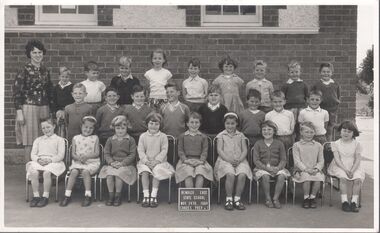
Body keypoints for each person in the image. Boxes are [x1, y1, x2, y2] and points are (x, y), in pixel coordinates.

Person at [14, 39, 53, 162]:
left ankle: (43, 169)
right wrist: (19, 111)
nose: (38, 55)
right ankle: (30, 171)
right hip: (29, 107)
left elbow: (49, 90)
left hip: (44, 107)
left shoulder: (45, 70)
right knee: (30, 140)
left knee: (44, 139)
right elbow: (17, 92)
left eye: (40, 52)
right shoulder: (24, 70)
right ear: (29, 54)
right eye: (34, 52)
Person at [214, 112, 252, 211]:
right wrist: (229, 160)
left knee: (242, 174)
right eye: (228, 123)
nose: (230, 126)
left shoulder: (240, 135)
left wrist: (239, 160)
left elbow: (244, 150)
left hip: (240, 160)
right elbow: (220, 150)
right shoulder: (221, 135)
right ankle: (229, 199)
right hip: (225, 160)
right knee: (230, 174)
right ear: (224, 124)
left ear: (236, 124)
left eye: (232, 123)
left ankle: (237, 199)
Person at [60, 116, 100, 207]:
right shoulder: (75, 138)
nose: (88, 129)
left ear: (94, 129)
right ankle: (67, 195)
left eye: (91, 128)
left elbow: (97, 153)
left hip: (91, 162)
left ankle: (88, 195)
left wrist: (87, 157)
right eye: (86, 127)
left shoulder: (95, 138)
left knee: (85, 172)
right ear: (81, 126)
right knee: (73, 172)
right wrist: (79, 158)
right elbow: (73, 153)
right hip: (78, 161)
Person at [137, 112, 175, 207]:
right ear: (147, 124)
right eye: (151, 123)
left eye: (156, 124)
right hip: (145, 161)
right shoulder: (143, 136)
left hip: (159, 162)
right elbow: (140, 150)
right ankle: (146, 195)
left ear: (160, 125)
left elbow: (164, 150)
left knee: (156, 171)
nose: (153, 126)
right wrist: (146, 161)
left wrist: (156, 161)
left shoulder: (163, 136)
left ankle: (153, 196)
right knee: (145, 172)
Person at [26, 118, 66, 207]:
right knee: (33, 172)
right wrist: (38, 160)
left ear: (54, 126)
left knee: (47, 173)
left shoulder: (59, 140)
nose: (46, 130)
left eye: (48, 127)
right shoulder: (38, 140)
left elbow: (60, 155)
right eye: (43, 128)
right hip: (40, 161)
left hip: (54, 162)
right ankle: (36, 196)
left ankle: (45, 196)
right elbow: (33, 154)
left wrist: (50, 160)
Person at [98, 115, 137, 206]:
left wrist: (123, 163)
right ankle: (111, 195)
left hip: (126, 165)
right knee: (109, 174)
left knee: (118, 174)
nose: (120, 130)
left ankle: (117, 196)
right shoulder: (110, 140)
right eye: (118, 128)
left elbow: (132, 154)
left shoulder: (130, 140)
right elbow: (106, 153)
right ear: (114, 128)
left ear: (127, 128)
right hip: (113, 164)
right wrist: (111, 162)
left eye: (123, 128)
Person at [327, 120, 364, 213]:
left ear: (353, 133)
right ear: (340, 131)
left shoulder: (357, 144)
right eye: (344, 130)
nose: (346, 133)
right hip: (339, 165)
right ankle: (344, 201)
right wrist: (345, 170)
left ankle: (354, 202)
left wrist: (352, 170)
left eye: (349, 131)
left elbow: (358, 158)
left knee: (357, 179)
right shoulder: (335, 144)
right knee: (343, 178)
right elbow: (337, 159)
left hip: (354, 165)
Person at [252, 120, 290, 209]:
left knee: (281, 176)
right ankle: (268, 198)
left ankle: (276, 198)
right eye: (264, 130)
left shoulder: (279, 143)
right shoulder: (258, 144)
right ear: (261, 132)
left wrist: (278, 168)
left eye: (269, 130)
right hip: (262, 168)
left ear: (274, 131)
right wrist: (266, 168)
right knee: (265, 176)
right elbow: (256, 160)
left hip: (277, 167)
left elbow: (283, 159)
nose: (267, 132)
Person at [175, 112, 213, 187]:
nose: (194, 125)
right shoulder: (182, 136)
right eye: (191, 122)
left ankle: (197, 196)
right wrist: (185, 160)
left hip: (200, 160)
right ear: (187, 124)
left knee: (200, 173)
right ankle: (191, 196)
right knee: (188, 173)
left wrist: (201, 161)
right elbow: (180, 151)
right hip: (186, 160)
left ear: (200, 124)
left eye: (196, 122)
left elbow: (204, 151)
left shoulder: (203, 137)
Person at [292, 122, 325, 209]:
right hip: (301, 170)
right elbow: (297, 161)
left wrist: (317, 169)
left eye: (311, 132)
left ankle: (312, 198)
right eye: (306, 132)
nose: (309, 134)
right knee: (307, 178)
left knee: (318, 178)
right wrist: (306, 169)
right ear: (301, 132)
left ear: (314, 133)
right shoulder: (296, 145)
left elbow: (321, 160)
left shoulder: (318, 145)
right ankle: (306, 198)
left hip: (314, 169)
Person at [312, 63, 340, 141]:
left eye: (328, 72)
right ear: (320, 72)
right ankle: (322, 145)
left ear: (332, 73)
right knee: (321, 129)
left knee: (331, 129)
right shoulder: (317, 85)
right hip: (321, 110)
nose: (326, 73)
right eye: (324, 71)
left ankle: (329, 146)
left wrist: (336, 107)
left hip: (332, 111)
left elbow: (338, 97)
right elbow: (313, 97)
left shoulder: (335, 84)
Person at [265, 90, 295, 157]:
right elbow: (267, 128)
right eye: (275, 102)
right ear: (271, 102)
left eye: (280, 101)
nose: (278, 104)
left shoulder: (289, 114)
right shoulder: (268, 115)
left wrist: (289, 135)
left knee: (288, 154)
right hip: (275, 137)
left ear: (284, 102)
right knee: (277, 155)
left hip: (287, 138)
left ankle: (288, 166)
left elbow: (292, 127)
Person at [52, 66, 75, 138]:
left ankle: (68, 143)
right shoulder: (56, 88)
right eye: (63, 76)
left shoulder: (72, 87)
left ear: (69, 77)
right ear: (59, 77)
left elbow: (73, 100)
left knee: (68, 128)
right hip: (59, 111)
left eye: (67, 77)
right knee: (59, 128)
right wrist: (56, 110)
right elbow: (54, 100)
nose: (64, 79)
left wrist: (68, 110)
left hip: (69, 111)